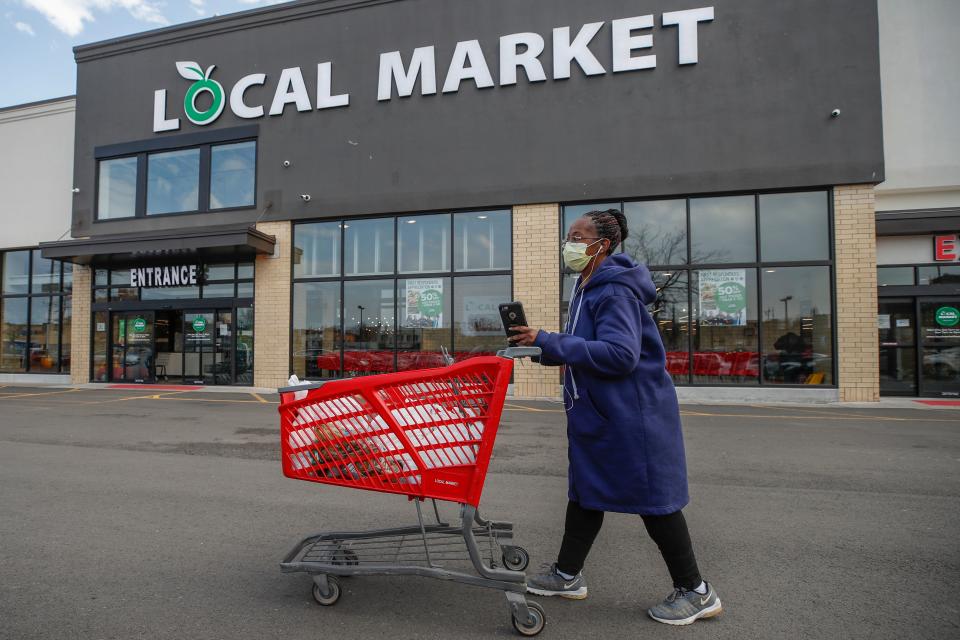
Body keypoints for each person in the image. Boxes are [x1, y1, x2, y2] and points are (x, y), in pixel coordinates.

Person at [508, 209, 722, 626]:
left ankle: (696, 592)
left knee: (654, 502)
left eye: (577, 236)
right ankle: (568, 575)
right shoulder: (587, 287)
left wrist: (550, 340)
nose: (568, 243)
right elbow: (587, 346)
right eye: (569, 235)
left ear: (601, 245)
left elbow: (621, 355)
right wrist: (540, 347)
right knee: (587, 491)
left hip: (632, 415)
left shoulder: (615, 291)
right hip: (601, 414)